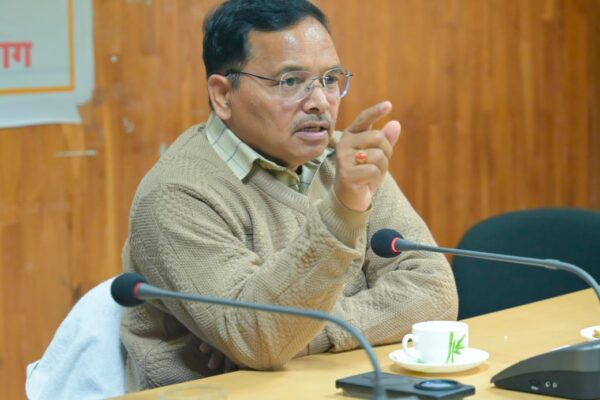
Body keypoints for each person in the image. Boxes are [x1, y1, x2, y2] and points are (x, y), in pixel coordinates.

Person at [120, 0, 458, 391]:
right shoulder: (176, 195)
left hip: (338, 383)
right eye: (290, 81)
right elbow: (257, 337)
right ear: (223, 95)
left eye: (329, 79)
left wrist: (303, 337)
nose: (319, 102)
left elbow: (435, 293)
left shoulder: (345, 161)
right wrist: (344, 211)